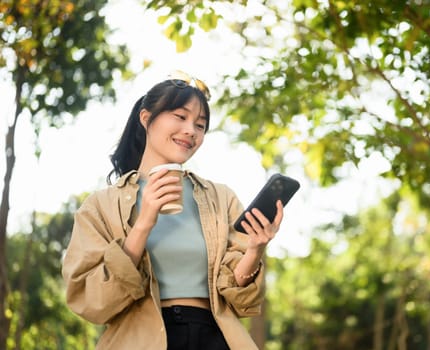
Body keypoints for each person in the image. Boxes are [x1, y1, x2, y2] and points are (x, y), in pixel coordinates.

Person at [61, 70, 284, 350]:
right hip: (138, 340)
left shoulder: (221, 198)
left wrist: (254, 250)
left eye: (200, 125)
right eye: (180, 117)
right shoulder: (101, 205)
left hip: (215, 338)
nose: (191, 130)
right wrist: (143, 222)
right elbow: (89, 300)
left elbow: (241, 300)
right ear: (146, 118)